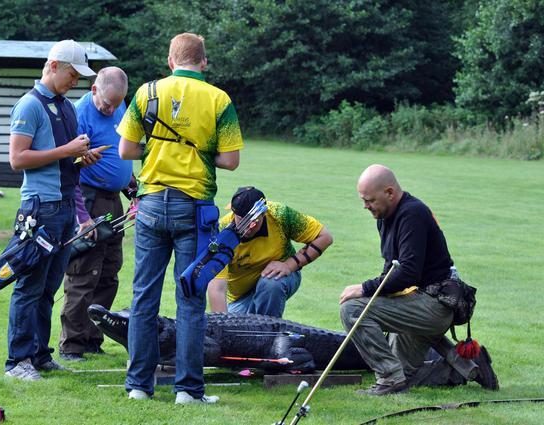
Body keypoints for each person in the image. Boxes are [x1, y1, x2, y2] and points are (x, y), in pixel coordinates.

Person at [118, 32, 243, 404]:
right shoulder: (219, 99)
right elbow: (231, 160)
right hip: (195, 206)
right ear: (203, 62)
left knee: (144, 297)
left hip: (152, 202)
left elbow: (126, 149)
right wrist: (202, 153)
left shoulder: (147, 92)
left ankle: (139, 386)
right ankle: (188, 389)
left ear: (170, 61)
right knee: (190, 298)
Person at [339, 164, 498, 395]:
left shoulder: (413, 213)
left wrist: (364, 288)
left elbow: (407, 273)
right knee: (404, 376)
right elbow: (391, 267)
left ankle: (388, 378)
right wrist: (377, 288)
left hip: (434, 305)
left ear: (390, 193)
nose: (365, 206)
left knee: (352, 309)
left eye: (369, 200)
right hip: (416, 301)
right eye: (363, 200)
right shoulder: (385, 216)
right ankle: (467, 368)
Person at [5, 40, 100, 380]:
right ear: (54, 65)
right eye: (72, 74)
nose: (75, 82)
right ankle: (17, 362)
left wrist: (81, 156)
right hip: (40, 208)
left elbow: (65, 154)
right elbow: (17, 159)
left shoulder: (67, 107)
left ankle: (40, 356)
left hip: (64, 208)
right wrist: (66, 151)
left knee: (49, 287)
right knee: (29, 287)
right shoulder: (29, 106)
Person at [59, 67, 135, 362]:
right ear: (93, 90)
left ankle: (93, 336)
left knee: (109, 271)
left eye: (117, 104)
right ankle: (72, 344)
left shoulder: (118, 105)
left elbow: (119, 153)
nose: (112, 109)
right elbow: (71, 170)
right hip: (88, 201)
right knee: (84, 272)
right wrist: (82, 218)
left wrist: (131, 185)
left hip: (113, 199)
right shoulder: (78, 115)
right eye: (107, 103)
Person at [208, 186, 332, 318]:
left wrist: (289, 265)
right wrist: (222, 326)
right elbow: (217, 288)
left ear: (264, 212)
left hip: (280, 277)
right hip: (241, 298)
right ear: (233, 213)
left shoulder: (280, 215)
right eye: (242, 220)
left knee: (271, 285)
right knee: (233, 332)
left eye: (254, 221)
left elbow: (324, 237)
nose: (249, 227)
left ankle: (267, 334)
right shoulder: (221, 234)